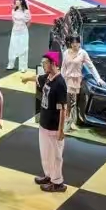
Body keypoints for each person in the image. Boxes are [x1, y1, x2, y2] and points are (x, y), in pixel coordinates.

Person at [34, 53, 68, 192]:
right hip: (44, 123)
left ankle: (58, 182)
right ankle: (49, 175)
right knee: (46, 153)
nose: (43, 65)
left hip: (54, 126)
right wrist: (25, 79)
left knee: (55, 156)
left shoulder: (60, 83)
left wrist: (61, 130)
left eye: (45, 63)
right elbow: (37, 78)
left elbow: (63, 109)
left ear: (53, 63)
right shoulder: (47, 77)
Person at [60, 35, 103, 133]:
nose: (75, 44)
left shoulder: (83, 53)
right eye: (73, 42)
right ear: (70, 43)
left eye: (77, 42)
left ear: (79, 43)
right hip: (66, 79)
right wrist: (61, 80)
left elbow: (91, 66)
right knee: (67, 101)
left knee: (72, 101)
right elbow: (63, 67)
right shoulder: (66, 52)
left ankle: (69, 121)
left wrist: (98, 79)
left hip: (76, 80)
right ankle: (67, 120)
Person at [7, 0, 31, 71]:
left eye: (17, 0)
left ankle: (23, 67)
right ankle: (11, 64)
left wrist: (24, 28)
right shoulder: (14, 10)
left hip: (23, 32)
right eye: (16, 0)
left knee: (23, 49)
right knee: (12, 48)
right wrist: (15, 28)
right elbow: (13, 21)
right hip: (15, 32)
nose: (16, 1)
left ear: (21, 1)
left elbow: (29, 21)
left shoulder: (26, 11)